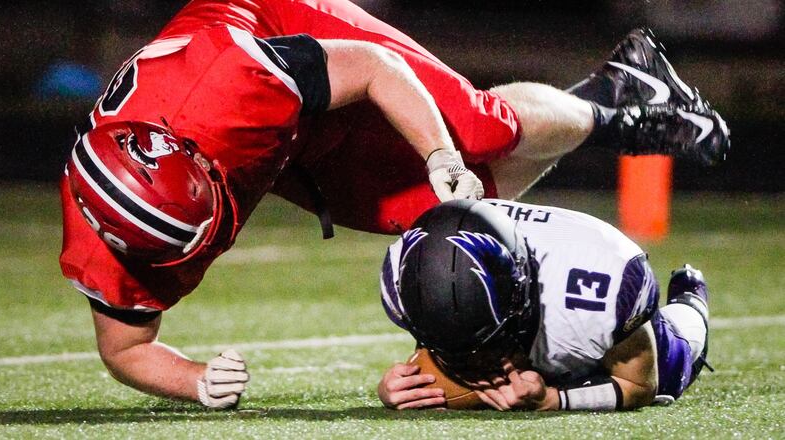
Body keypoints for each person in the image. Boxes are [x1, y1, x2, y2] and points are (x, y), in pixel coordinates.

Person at [60, 0, 727, 408]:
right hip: (264, 134)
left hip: (276, 22)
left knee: (475, 133)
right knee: (432, 217)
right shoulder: (107, 228)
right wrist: (194, 379)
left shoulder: (232, 82)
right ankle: (613, 95)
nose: (207, 243)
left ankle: (611, 108)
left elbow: (380, 71)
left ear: (200, 164)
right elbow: (125, 347)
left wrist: (438, 154)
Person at [377, 200, 711, 411]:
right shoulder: (409, 269)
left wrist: (552, 398)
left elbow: (639, 386)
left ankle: (689, 296)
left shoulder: (603, 281)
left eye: (488, 347)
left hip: (597, 331)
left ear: (522, 288)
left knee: (672, 367)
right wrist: (396, 388)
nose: (474, 366)